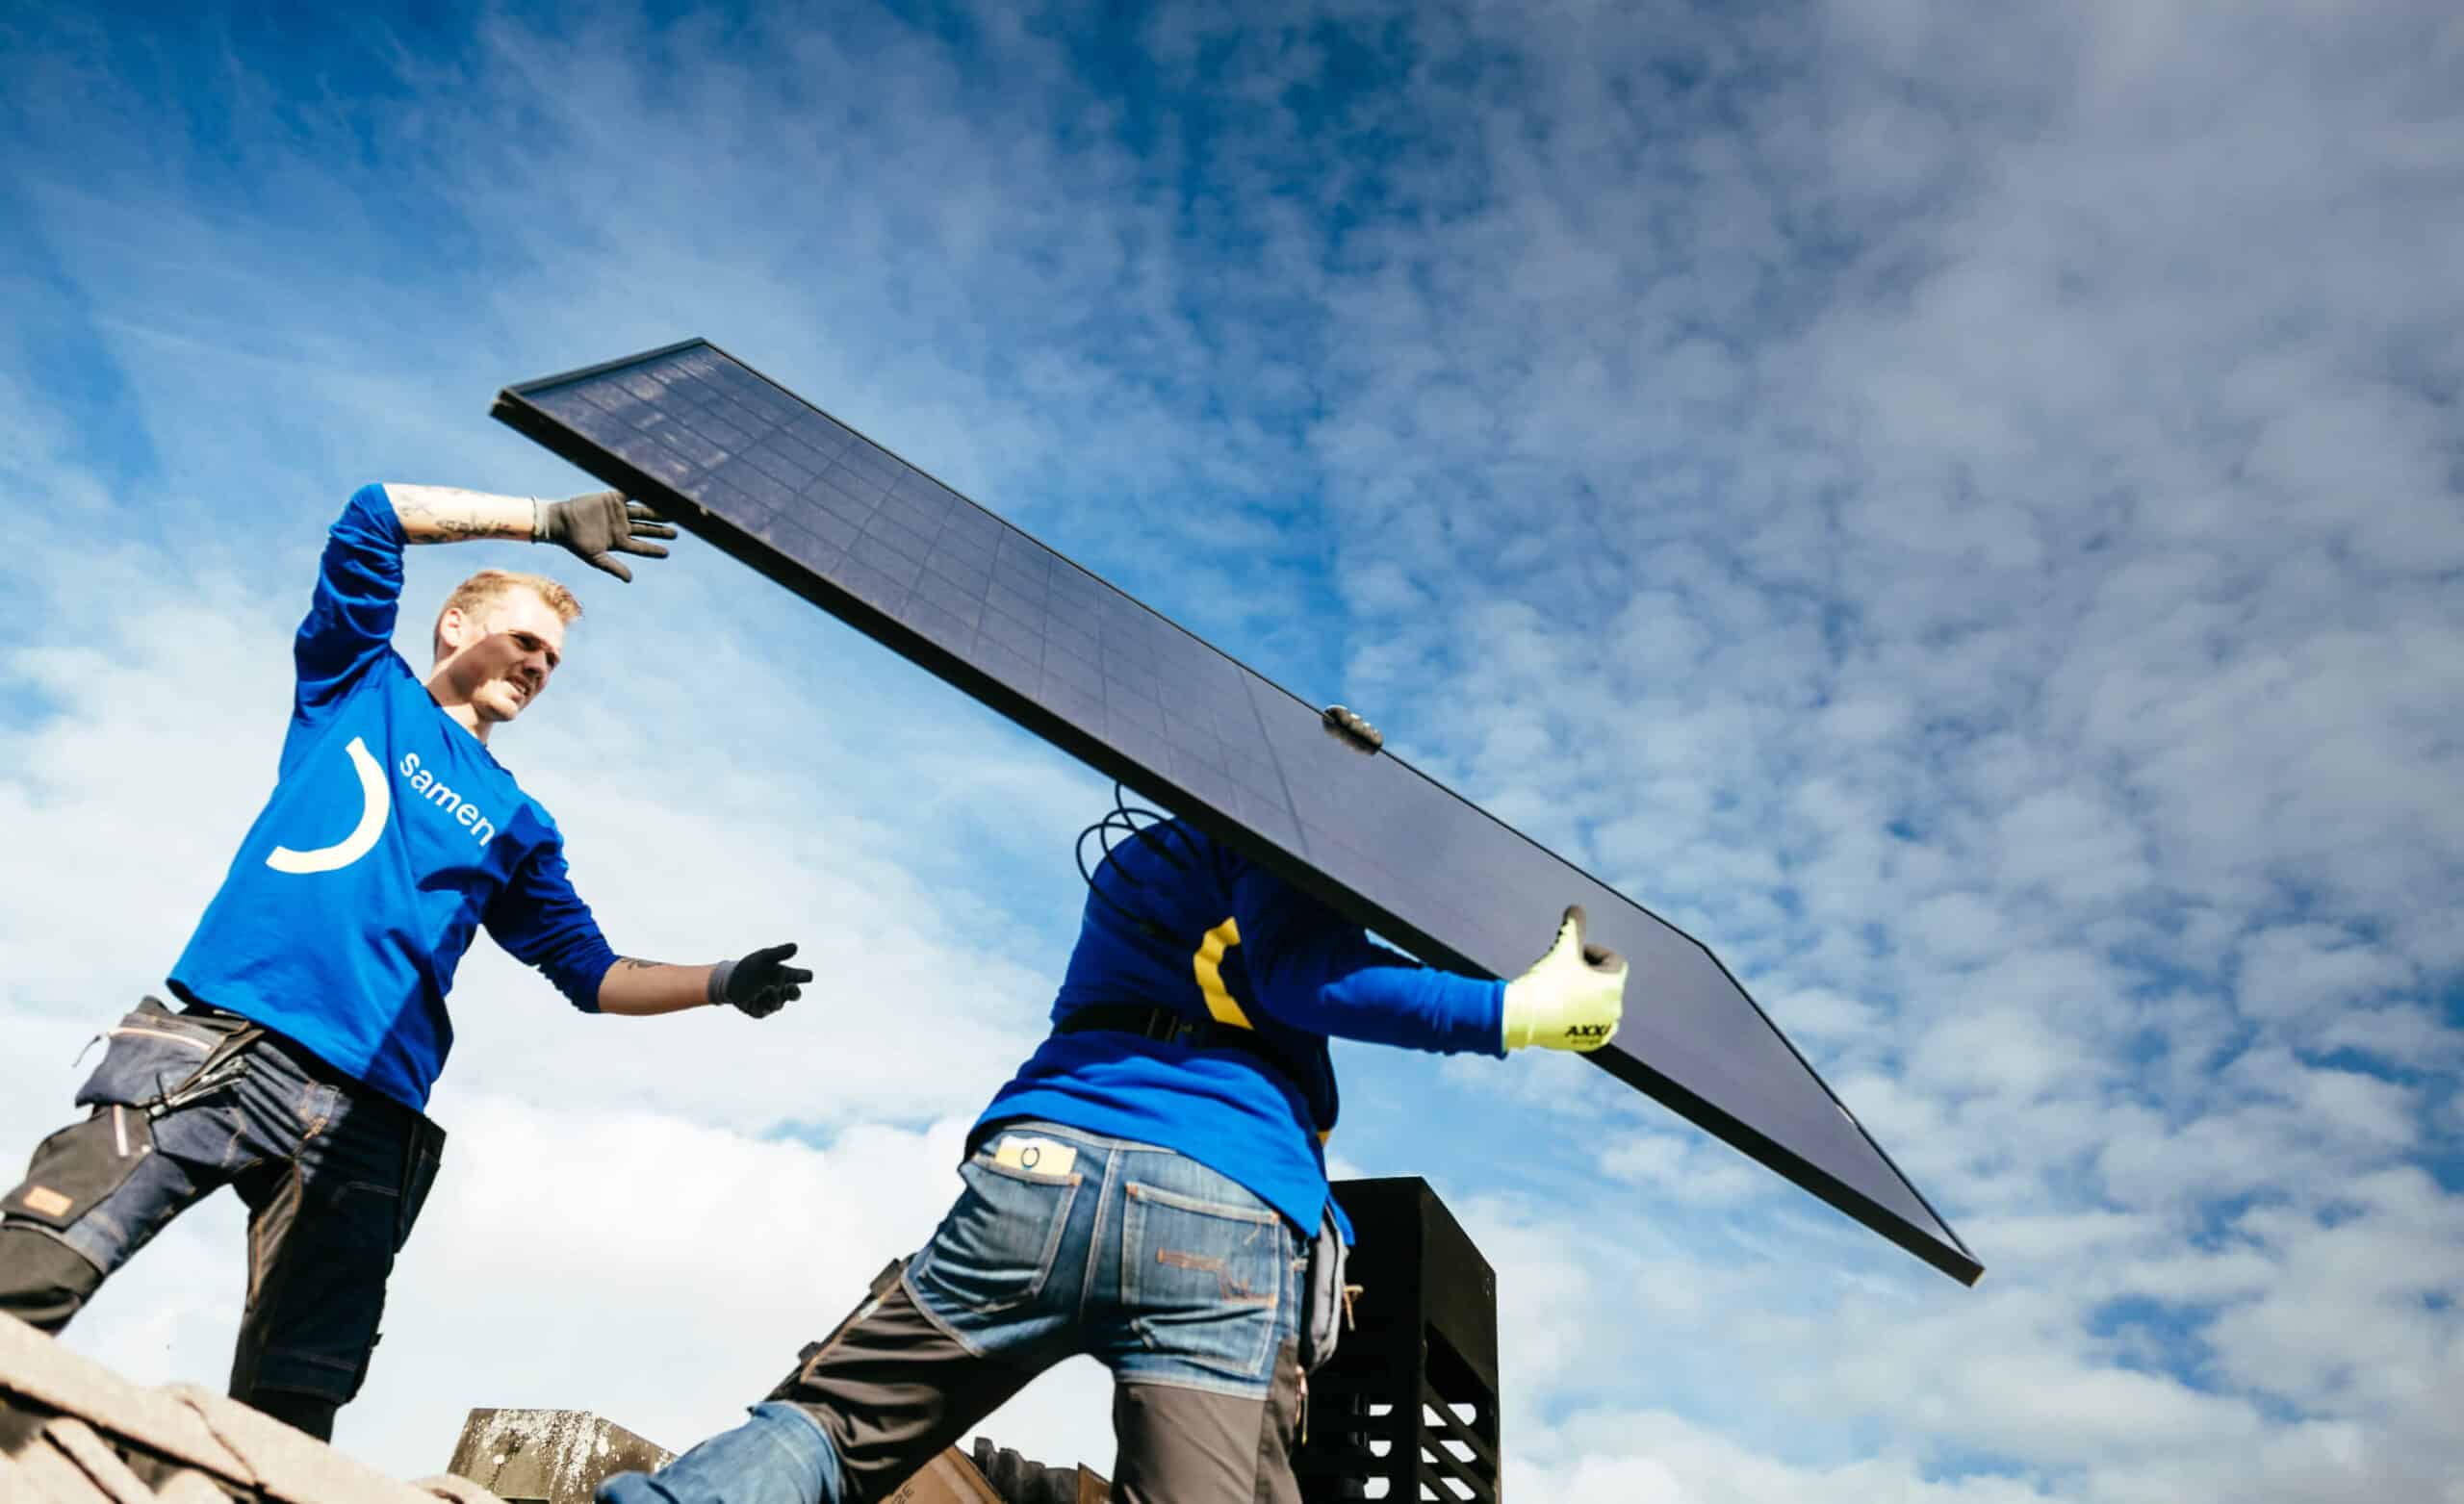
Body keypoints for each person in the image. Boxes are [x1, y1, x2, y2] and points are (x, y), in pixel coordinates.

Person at [0, 483, 814, 1440]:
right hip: (222, 1057)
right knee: (33, 1270)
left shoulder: (521, 822)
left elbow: (589, 973)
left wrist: (722, 981)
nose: (539, 666)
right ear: (454, 625)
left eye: (553, 661)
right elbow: (373, 514)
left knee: (292, 1417)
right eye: (523, 641)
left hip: (368, 1123)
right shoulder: (356, 686)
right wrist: (547, 523)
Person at [599, 806, 1628, 1504]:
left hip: (1046, 1173)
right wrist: (1519, 1010)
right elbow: (1306, 978)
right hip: (1222, 1212)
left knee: (832, 1428)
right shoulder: (1278, 851)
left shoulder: (1142, 865)